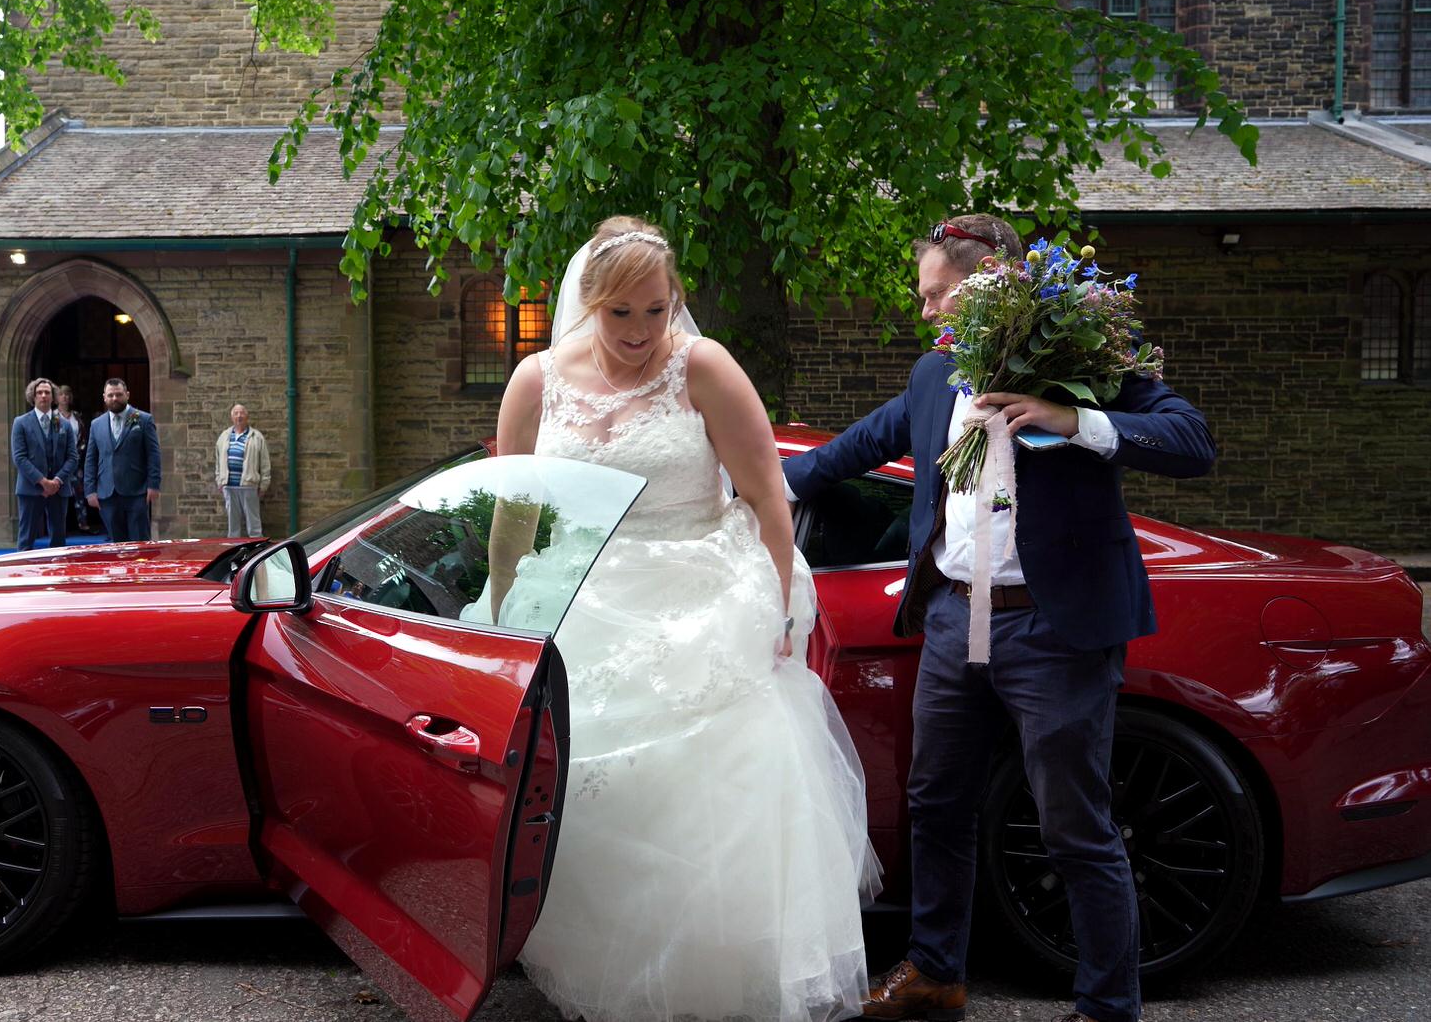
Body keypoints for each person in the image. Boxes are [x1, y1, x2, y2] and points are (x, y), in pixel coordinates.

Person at [782, 214, 1215, 1022]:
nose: (927, 310)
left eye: (937, 293)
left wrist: (1072, 421)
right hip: (952, 620)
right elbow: (846, 453)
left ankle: (1107, 1006)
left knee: (1073, 825)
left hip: (1054, 630)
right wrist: (739, 484)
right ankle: (936, 975)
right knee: (935, 803)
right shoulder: (930, 377)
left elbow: (1191, 440)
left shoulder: (1077, 364)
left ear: (988, 285)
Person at [493, 216, 875, 1022]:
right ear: (588, 302)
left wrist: (779, 609)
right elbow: (512, 517)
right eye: (620, 313)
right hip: (587, 607)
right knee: (592, 807)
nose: (640, 331)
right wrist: (498, 619)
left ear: (676, 303)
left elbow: (770, 497)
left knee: (702, 816)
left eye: (656, 310)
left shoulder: (702, 369)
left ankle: (707, 991)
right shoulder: (535, 381)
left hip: (698, 606)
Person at [83, 378, 161, 543]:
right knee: (116, 545)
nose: (115, 399)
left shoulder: (144, 420)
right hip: (107, 493)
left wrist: (153, 485)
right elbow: (91, 459)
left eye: (118, 394)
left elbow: (153, 455)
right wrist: (90, 490)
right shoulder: (96, 425)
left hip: (137, 492)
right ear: (104, 397)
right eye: (110, 395)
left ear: (127, 395)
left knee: (139, 542)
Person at [10, 378, 78, 551]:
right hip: (31, 488)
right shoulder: (21, 423)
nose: (43, 396)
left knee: (58, 539)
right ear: (33, 396)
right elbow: (19, 457)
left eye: (47, 392)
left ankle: (56, 574)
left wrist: (57, 480)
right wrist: (42, 482)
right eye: (39, 392)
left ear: (53, 397)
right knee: (26, 538)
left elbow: (72, 457)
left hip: (59, 488)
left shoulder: (64, 424)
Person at [213, 403, 270, 537]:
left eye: (242, 413)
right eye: (236, 413)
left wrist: (264, 485)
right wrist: (220, 481)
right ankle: (234, 553)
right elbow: (218, 460)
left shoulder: (257, 437)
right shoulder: (224, 436)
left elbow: (265, 463)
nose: (239, 416)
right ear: (232, 417)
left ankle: (258, 552)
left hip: (249, 486)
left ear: (247, 416)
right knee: (233, 527)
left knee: (254, 525)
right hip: (229, 486)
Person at [55, 384, 91, 534]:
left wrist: (76, 455)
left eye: (68, 394)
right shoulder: (53, 416)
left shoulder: (77, 416)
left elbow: (83, 437)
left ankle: (83, 523)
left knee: (79, 492)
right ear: (56, 398)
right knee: (59, 495)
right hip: (58, 463)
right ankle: (61, 526)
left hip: (76, 461)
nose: (65, 397)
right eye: (62, 394)